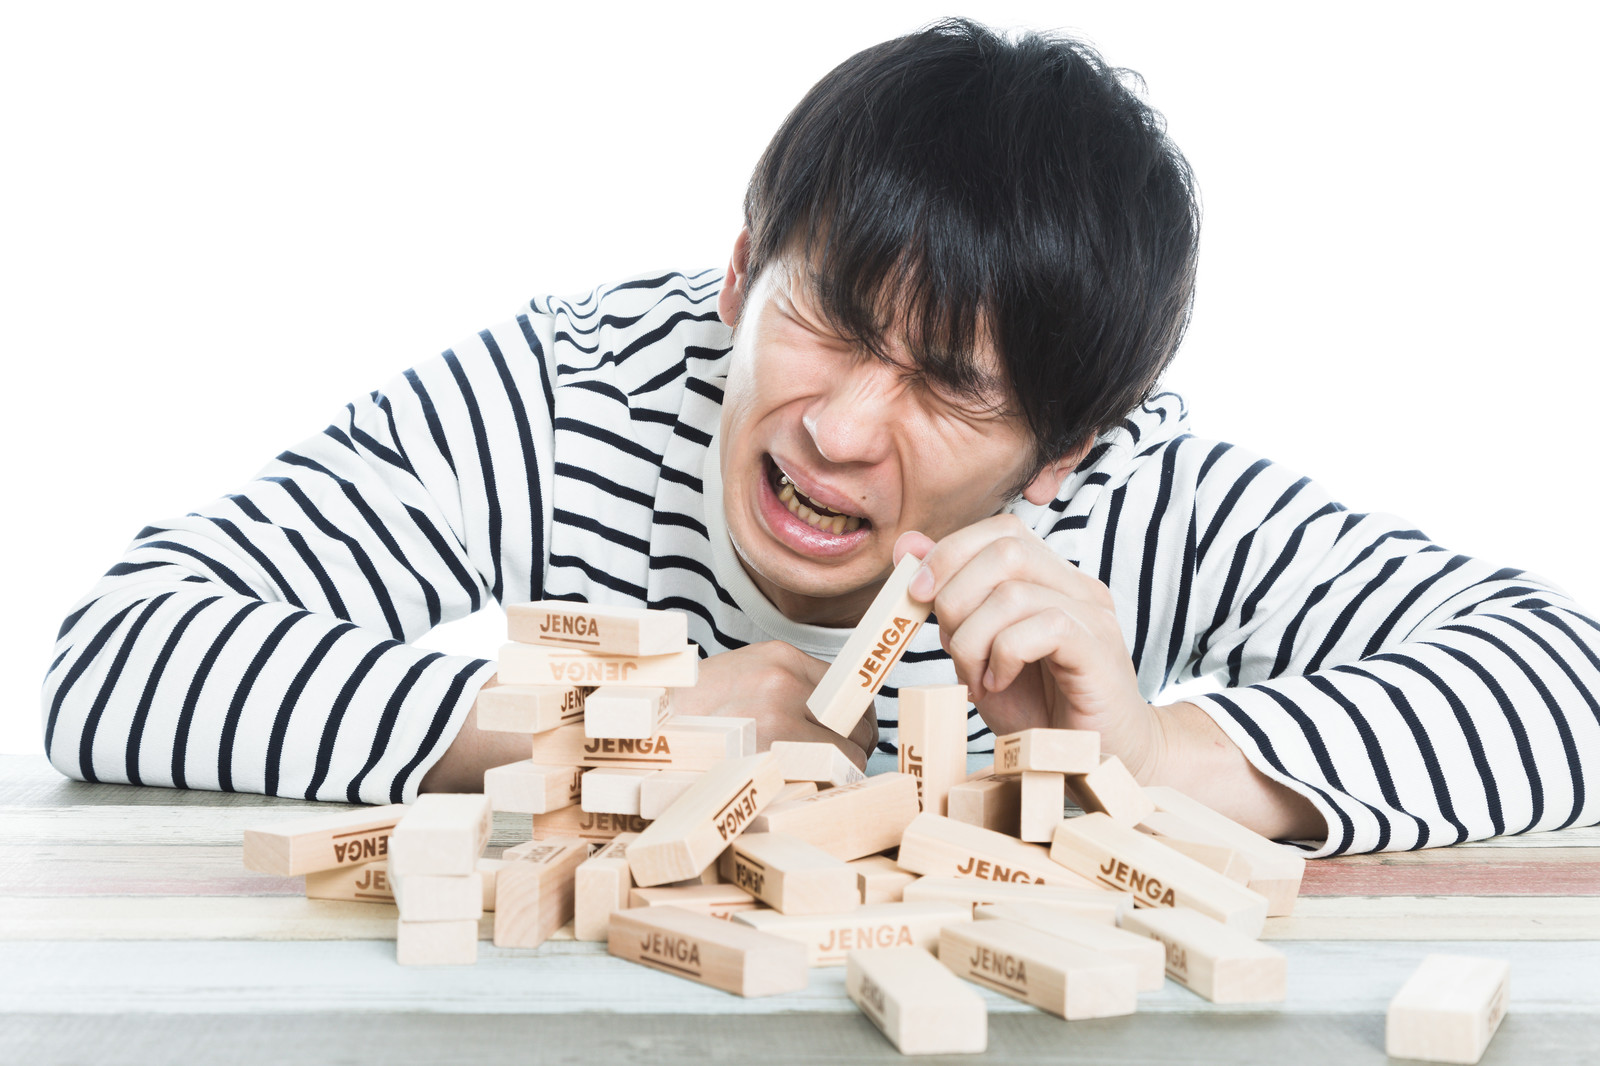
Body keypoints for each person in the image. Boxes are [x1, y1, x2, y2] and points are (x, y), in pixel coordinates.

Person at [41, 18, 1599, 856]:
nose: (842, 427)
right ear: (740, 276)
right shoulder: (580, 393)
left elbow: (1567, 681)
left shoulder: (1139, 492)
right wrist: (620, 725)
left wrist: (1148, 759)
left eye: (951, 388)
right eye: (828, 318)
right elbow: (116, 653)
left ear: (1064, 451)